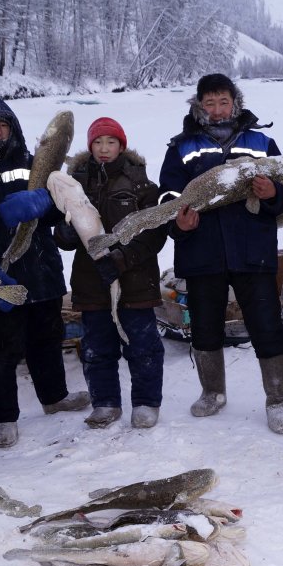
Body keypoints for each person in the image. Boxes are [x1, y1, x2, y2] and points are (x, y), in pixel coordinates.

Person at [160, 73, 283, 434]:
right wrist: (179, 224)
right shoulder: (181, 147)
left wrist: (272, 194)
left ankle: (280, 398)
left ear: (235, 103)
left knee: (266, 324)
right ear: (199, 106)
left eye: (224, 102)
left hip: (253, 252)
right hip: (201, 253)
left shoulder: (260, 141)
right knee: (204, 327)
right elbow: (166, 197)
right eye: (210, 103)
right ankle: (213, 392)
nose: (218, 109)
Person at [0, 99, 90, 450]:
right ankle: (3, 416)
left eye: (4, 125)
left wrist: (46, 205)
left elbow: (60, 211)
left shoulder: (32, 162)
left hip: (42, 267)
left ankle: (54, 396)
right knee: (2, 347)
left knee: (47, 337)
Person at [52, 117, 165, 430]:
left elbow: (154, 233)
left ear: (121, 146)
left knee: (142, 347)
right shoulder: (74, 183)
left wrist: (122, 258)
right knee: (97, 348)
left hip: (135, 278)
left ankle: (145, 403)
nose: (104, 149)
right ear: (90, 147)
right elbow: (62, 240)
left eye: (110, 142)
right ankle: (105, 402)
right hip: (91, 281)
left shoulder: (142, 184)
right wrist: (66, 231)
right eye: (98, 143)